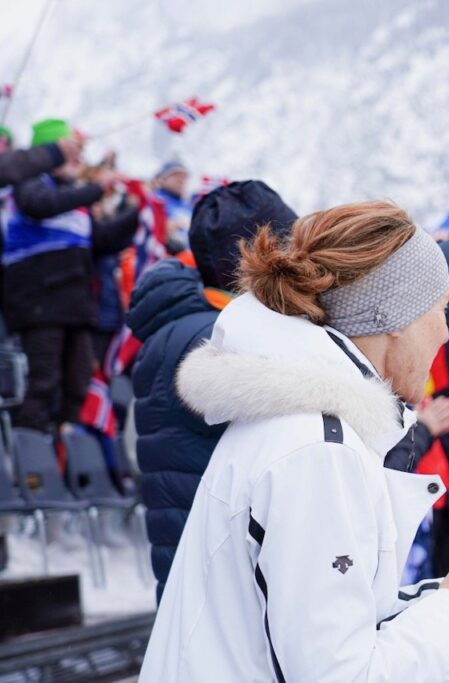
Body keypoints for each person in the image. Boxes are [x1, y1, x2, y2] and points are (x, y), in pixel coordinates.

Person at [140, 201, 449, 681]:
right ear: (393, 317)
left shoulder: (303, 426)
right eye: (439, 309)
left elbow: (330, 626)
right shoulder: (317, 451)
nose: (444, 330)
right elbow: (342, 675)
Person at [129, 181, 298, 600]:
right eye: (293, 253)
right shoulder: (216, 339)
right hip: (222, 596)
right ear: (262, 260)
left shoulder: (193, 326)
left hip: (208, 588)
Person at [4, 119, 138, 432]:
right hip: (39, 306)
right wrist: (95, 189)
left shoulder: (75, 199)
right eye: (71, 154)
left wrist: (135, 213)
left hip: (76, 307)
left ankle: (69, 456)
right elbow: (41, 206)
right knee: (43, 383)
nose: (77, 163)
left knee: (77, 386)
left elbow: (102, 239)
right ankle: (32, 461)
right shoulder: (31, 184)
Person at [153, 160, 192, 252]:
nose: (181, 180)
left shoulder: (188, 206)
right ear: (162, 179)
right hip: (167, 255)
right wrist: (178, 225)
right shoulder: (155, 200)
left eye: (184, 177)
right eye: (176, 175)